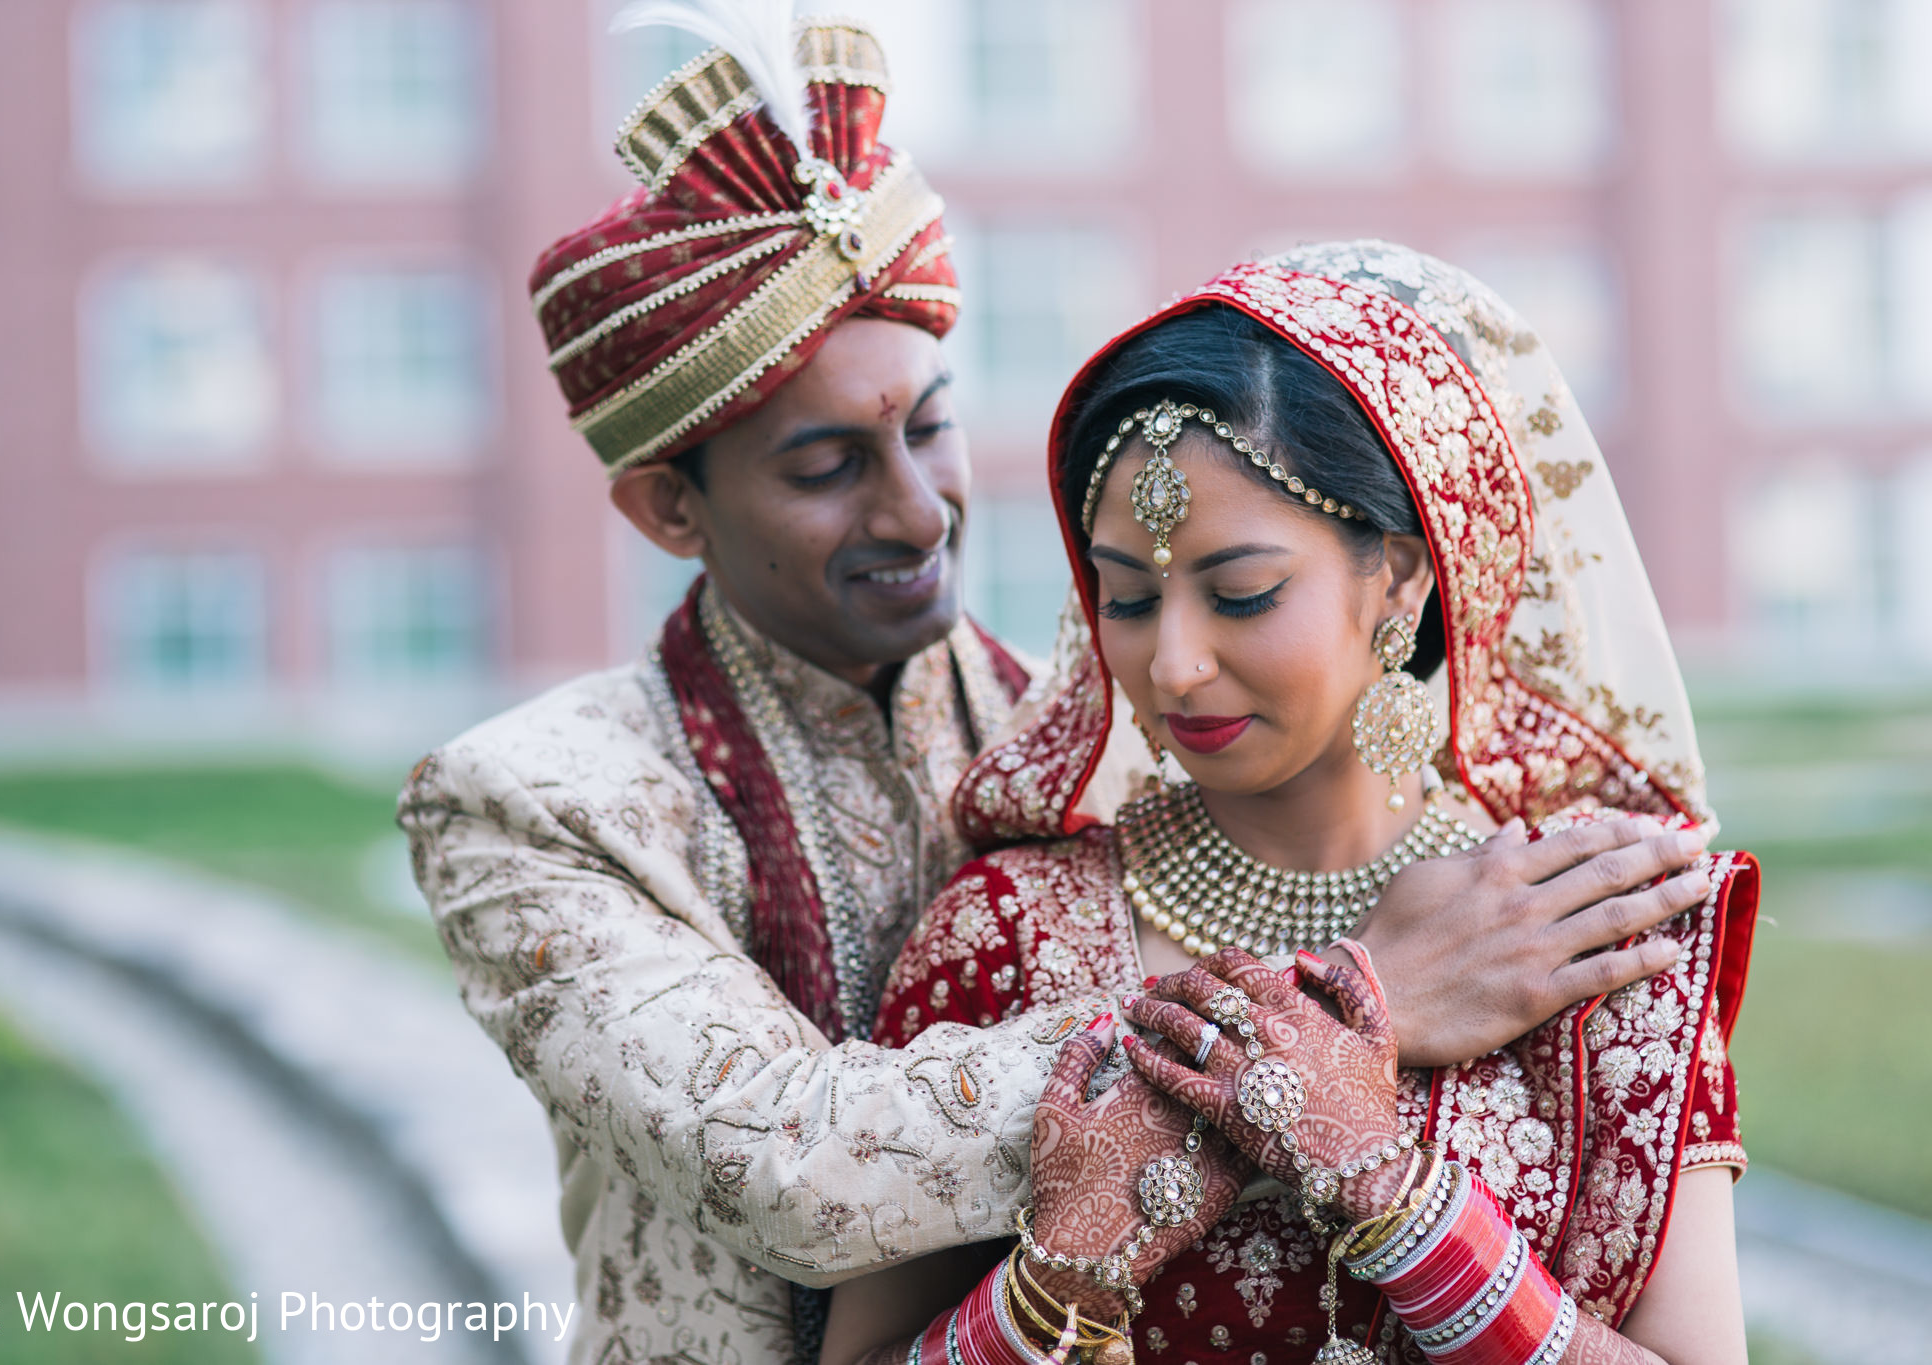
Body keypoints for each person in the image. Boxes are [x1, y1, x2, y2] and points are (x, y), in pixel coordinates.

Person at [397, 11, 1724, 1363]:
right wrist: (1340, 1008)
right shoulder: (540, 803)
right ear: (669, 509)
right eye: (826, 467)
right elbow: (783, 1164)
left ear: (1403, 574)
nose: (921, 514)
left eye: (929, 426)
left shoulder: (1115, 746)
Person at [838, 244, 1757, 1365]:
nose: (1172, 664)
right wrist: (1062, 1274)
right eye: (1124, 596)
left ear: (1404, 579)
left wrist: (1397, 1198)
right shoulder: (1003, 933)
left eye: (1241, 594)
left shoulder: (1587, 930)